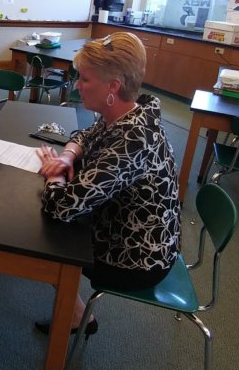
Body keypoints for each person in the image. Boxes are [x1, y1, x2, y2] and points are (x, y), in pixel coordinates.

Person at [34, 32, 180, 336]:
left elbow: (62, 206)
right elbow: (87, 135)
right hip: (123, 226)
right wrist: (67, 155)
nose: (77, 85)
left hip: (138, 257)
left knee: (46, 243)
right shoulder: (129, 110)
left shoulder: (133, 140)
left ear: (113, 86)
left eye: (85, 79)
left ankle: (77, 317)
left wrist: (54, 174)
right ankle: (77, 314)